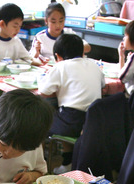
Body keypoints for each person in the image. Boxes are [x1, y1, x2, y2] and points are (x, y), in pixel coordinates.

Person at [38, 33, 104, 174]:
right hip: (94, 121)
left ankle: (39, 166)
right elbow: (103, 85)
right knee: (61, 115)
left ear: (58, 56)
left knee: (40, 122)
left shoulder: (61, 66)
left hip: (72, 121)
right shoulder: (93, 64)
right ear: (82, 52)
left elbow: (43, 91)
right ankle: (67, 163)